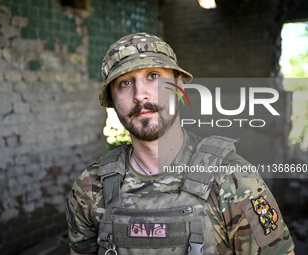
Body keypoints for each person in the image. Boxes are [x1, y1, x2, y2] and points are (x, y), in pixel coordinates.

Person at [66, 32, 295, 255]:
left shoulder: (232, 180)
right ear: (113, 100)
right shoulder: (90, 188)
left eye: (153, 76)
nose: (140, 95)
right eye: (125, 83)